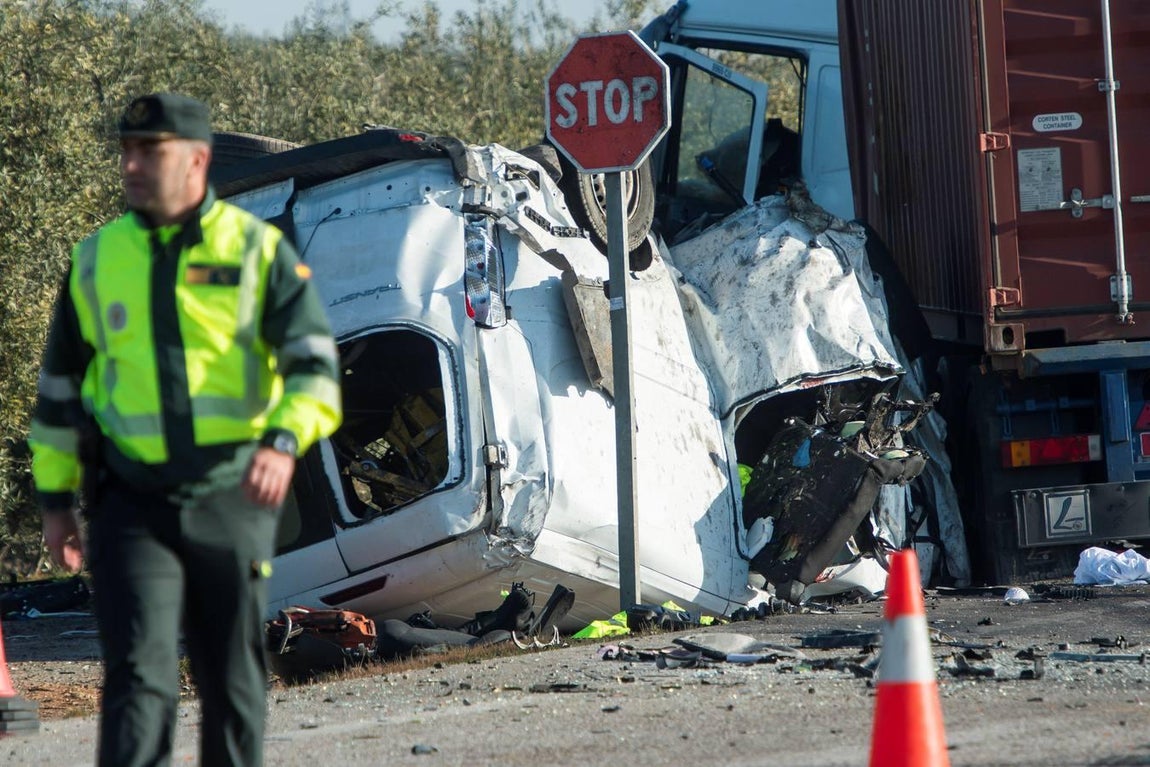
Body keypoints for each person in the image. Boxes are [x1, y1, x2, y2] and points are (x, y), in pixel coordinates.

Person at [28, 93, 342, 766]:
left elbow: (315, 369)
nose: (133, 166)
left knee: (231, 679)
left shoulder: (258, 250)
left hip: (230, 500)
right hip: (128, 503)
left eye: (152, 152)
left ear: (198, 160)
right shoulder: (95, 259)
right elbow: (58, 392)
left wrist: (284, 440)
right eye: (128, 152)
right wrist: (55, 505)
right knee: (138, 680)